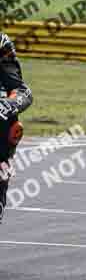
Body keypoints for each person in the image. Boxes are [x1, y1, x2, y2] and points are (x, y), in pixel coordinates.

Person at [0, 33, 33, 222]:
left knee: (12, 128)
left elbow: (21, 90)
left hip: (2, 119)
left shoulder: (1, 44)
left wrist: (8, 105)